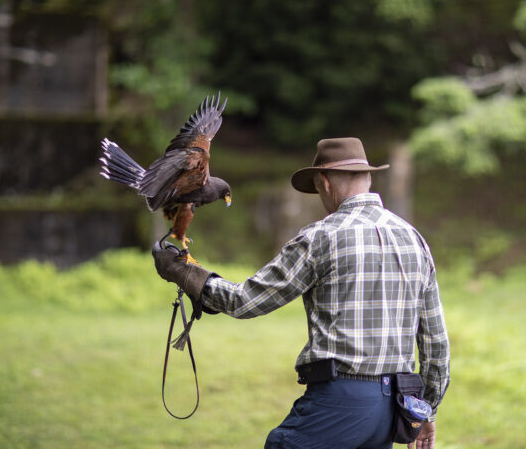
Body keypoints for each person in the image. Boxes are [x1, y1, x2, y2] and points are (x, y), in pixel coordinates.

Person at [153, 137, 450, 449]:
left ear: (323, 181)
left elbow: (245, 301)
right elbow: (436, 343)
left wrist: (185, 273)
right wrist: (426, 411)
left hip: (340, 402)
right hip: (395, 411)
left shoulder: (320, 237)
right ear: (368, 177)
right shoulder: (414, 239)